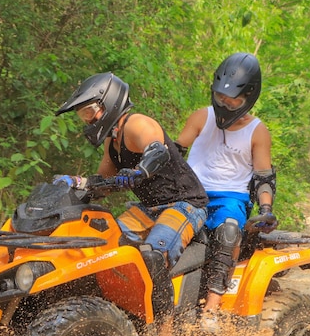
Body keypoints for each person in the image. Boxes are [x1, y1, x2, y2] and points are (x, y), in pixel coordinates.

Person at [54, 72, 208, 319]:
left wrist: (140, 171)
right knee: (104, 247)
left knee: (152, 257)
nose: (87, 120)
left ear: (109, 103)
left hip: (183, 204)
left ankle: (165, 334)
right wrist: (75, 183)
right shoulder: (111, 142)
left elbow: (158, 151)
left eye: (89, 112)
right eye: (82, 115)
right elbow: (102, 183)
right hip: (147, 207)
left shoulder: (137, 125)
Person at [175, 52, 277, 316]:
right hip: (190, 194)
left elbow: (263, 176)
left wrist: (266, 210)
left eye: (234, 101)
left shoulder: (257, 130)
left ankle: (212, 306)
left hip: (231, 199)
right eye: (222, 98)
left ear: (249, 98)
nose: (226, 105)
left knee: (229, 231)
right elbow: (174, 152)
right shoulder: (201, 117)